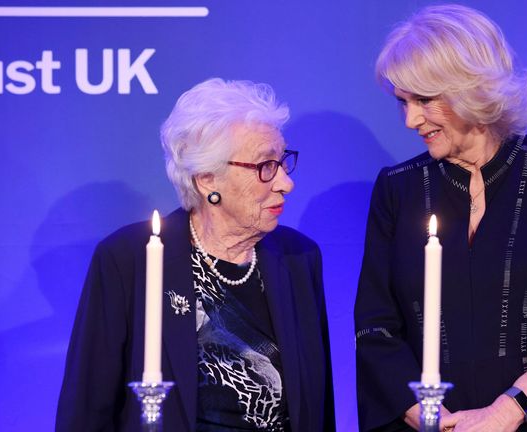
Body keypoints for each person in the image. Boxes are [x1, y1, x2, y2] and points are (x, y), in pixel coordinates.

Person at [355, 5, 527, 431]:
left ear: (470, 87)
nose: (410, 120)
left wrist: (506, 412)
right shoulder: (397, 188)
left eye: (424, 99)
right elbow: (375, 329)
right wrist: (428, 417)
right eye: (402, 102)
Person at [56, 78, 335, 431]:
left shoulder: (298, 257)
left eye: (282, 162)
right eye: (265, 166)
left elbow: (319, 410)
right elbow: (87, 411)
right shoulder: (128, 260)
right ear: (207, 181)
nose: (285, 182)